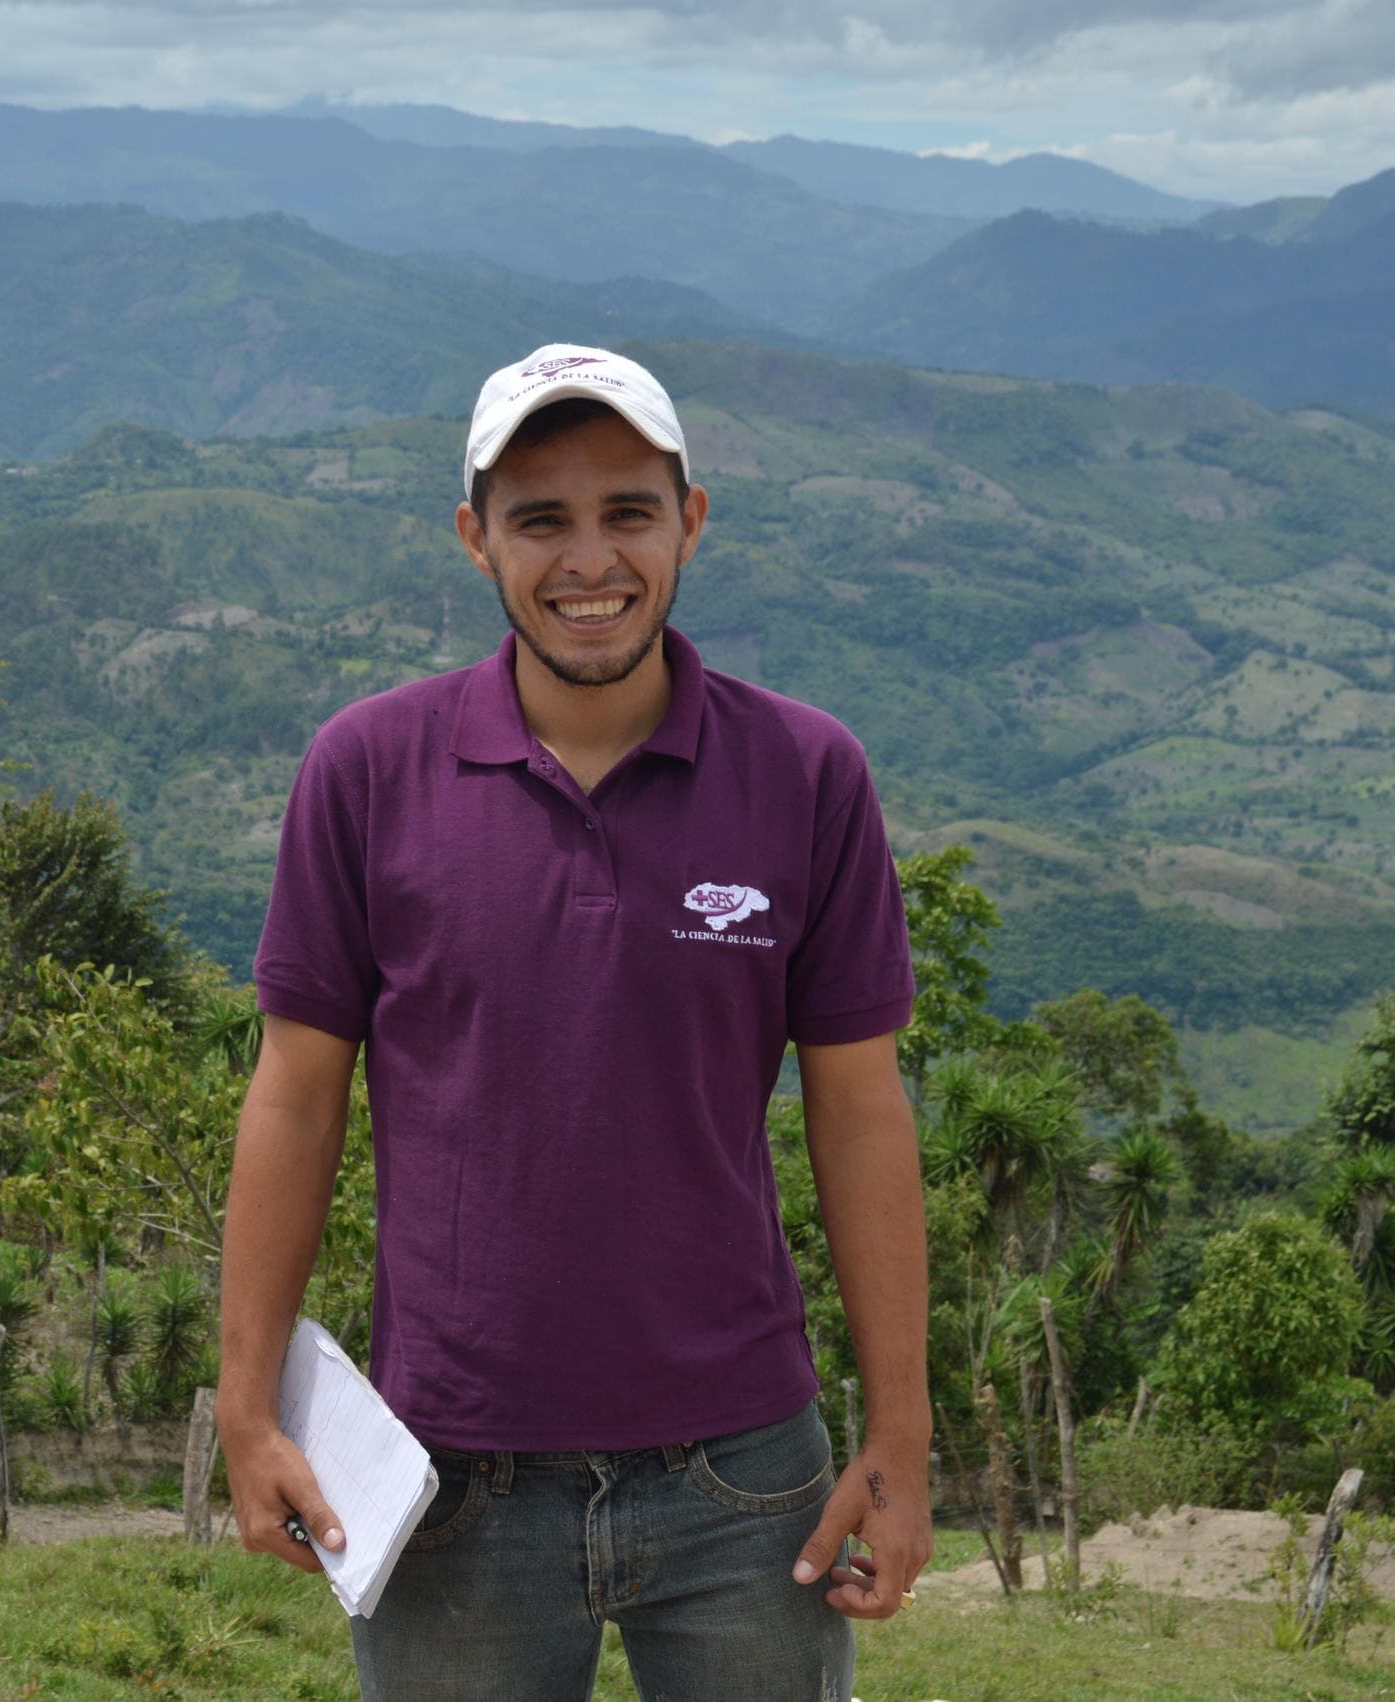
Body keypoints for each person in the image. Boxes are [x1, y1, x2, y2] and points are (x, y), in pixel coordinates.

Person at [216, 343, 931, 1699]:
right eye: (541, 518)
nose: (588, 558)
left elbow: (860, 1107)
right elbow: (294, 1095)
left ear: (692, 523)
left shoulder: (807, 774)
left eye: (628, 512)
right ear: (476, 539)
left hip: (744, 1477)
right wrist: (245, 1406)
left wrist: (901, 1432)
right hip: (446, 1476)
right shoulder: (366, 771)